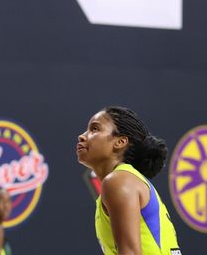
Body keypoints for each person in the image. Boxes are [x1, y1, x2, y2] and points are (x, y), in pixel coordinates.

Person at [76, 106, 181, 255]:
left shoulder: (119, 181)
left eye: (94, 129)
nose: (82, 136)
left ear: (120, 142)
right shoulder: (124, 180)